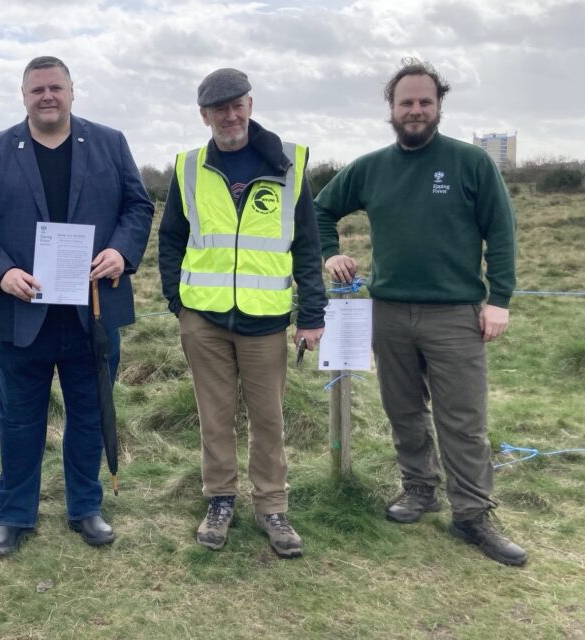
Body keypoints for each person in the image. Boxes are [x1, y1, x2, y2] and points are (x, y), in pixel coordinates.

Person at [314, 58, 525, 566]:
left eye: (424, 102)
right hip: (388, 311)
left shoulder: (471, 163)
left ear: (438, 106)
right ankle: (419, 489)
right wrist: (330, 253)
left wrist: (499, 299)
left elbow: (501, 231)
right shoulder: (370, 167)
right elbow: (318, 209)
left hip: (456, 315)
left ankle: (473, 513)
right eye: (405, 102)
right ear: (391, 108)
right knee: (403, 409)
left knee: (463, 419)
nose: (415, 110)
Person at [0, 56, 154, 557]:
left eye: (56, 88)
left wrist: (122, 252)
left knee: (90, 415)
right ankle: (14, 515)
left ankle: (86, 507)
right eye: (37, 89)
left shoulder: (110, 143)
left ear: (72, 91)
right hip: (23, 314)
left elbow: (138, 206)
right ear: (23, 96)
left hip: (93, 311)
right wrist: (1, 272)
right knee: (19, 420)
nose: (47, 96)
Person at [158, 68, 326, 558]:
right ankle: (220, 501)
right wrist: (178, 302)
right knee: (215, 417)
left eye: (237, 105)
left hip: (265, 321)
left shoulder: (289, 164)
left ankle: (272, 506)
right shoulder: (188, 167)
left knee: (268, 419)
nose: (229, 116)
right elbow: (170, 237)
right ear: (204, 115)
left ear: (250, 105)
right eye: (218, 109)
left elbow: (308, 246)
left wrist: (312, 313)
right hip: (204, 321)